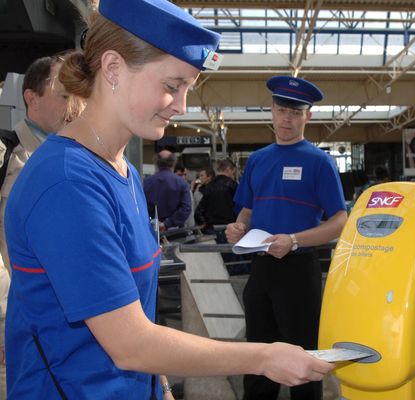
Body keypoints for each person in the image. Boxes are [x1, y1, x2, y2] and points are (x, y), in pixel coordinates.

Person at [4, 1, 333, 399]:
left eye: (188, 89)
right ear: (112, 68)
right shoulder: (67, 184)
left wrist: (159, 383)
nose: (182, 106)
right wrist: (263, 357)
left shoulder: (118, 170)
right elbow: (130, 344)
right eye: (171, 86)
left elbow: (136, 308)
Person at [226, 76, 347, 400]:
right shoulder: (258, 159)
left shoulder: (319, 161)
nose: (286, 120)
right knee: (258, 355)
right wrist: (238, 227)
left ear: (308, 116)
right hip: (261, 269)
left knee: (303, 359)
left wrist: (294, 240)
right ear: (272, 111)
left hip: (298, 269)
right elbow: (247, 211)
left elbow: (340, 221)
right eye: (281, 111)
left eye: (295, 113)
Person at [0, 53, 84, 395]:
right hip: (14, 319)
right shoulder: (9, 155)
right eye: (63, 95)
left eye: (78, 96)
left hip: (71, 324)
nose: (73, 106)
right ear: (31, 98)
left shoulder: (80, 160)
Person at [144, 149, 192, 231]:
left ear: (156, 162)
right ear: (174, 163)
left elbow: (142, 206)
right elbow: (186, 208)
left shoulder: (147, 182)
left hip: (152, 229)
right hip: (175, 231)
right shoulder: (181, 183)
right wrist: (167, 223)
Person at [194, 159, 237, 235]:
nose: (233, 175)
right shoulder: (233, 185)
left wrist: (204, 224)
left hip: (211, 229)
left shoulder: (208, 187)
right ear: (228, 169)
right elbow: (240, 207)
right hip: (230, 229)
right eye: (233, 172)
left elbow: (198, 212)